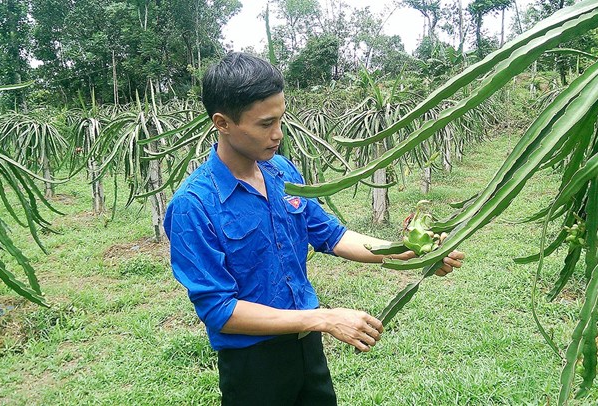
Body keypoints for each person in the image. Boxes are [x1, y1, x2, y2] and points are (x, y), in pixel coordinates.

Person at [164, 52, 465, 406]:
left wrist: (411, 252)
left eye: (281, 120)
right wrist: (325, 318)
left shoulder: (282, 173)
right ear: (223, 122)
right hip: (252, 364)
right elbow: (220, 311)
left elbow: (334, 236)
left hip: (307, 347)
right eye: (265, 124)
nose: (278, 135)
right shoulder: (194, 205)